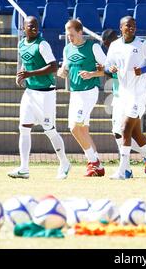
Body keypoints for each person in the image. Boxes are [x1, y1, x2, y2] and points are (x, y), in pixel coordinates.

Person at [9, 16, 71, 180]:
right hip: (30, 92)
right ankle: (24, 168)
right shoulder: (21, 44)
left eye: (36, 26)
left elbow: (52, 66)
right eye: (30, 26)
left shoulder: (42, 44)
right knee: (23, 128)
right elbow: (25, 63)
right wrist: (21, 75)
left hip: (46, 94)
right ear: (24, 29)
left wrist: (30, 74)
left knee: (49, 130)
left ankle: (64, 163)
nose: (34, 28)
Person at [105, 16, 146, 180]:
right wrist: (109, 68)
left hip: (137, 94)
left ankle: (123, 170)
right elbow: (107, 66)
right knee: (135, 134)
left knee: (125, 129)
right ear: (121, 27)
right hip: (122, 94)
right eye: (127, 26)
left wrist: (144, 69)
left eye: (133, 26)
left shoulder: (143, 44)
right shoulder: (114, 45)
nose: (131, 28)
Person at [56, 19, 107, 177]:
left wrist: (92, 74)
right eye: (67, 34)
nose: (69, 37)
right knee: (82, 129)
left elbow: (108, 69)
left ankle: (94, 162)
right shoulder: (67, 49)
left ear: (80, 32)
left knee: (74, 127)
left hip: (89, 91)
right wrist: (61, 72)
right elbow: (64, 68)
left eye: (71, 34)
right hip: (75, 93)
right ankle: (97, 166)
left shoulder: (93, 47)